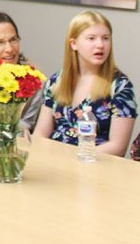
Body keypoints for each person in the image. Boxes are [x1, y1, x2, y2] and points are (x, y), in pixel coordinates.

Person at [34, 10, 136, 156]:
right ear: (74, 44)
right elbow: (41, 133)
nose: (100, 45)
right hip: (52, 160)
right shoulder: (57, 80)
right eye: (91, 38)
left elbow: (117, 147)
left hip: (93, 165)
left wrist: (72, 159)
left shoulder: (120, 86)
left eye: (105, 38)